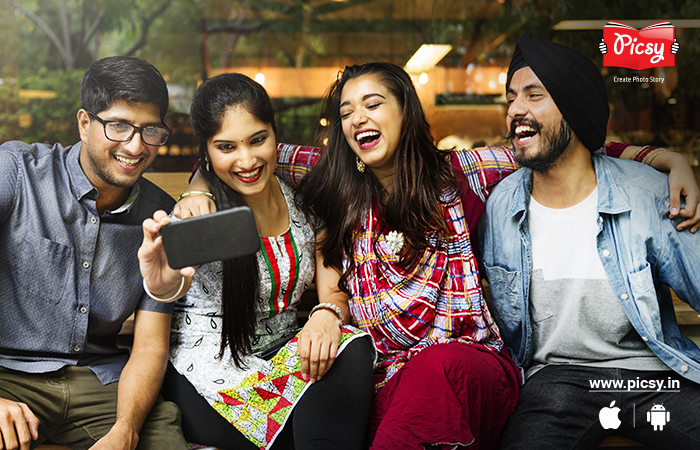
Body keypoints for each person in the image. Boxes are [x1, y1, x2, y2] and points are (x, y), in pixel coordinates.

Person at [177, 62, 699, 449]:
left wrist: (665, 158)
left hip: (469, 368)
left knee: (435, 371)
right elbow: (239, 152)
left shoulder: (461, 172)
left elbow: (571, 145)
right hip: (386, 375)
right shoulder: (336, 182)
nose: (358, 117)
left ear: (405, 107)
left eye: (373, 103)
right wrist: (195, 185)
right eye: (346, 111)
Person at [479, 34, 700, 449]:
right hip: (555, 382)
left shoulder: (646, 194)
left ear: (574, 108)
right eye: (510, 98)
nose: (514, 110)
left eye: (533, 95)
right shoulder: (500, 206)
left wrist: (671, 159)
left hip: (655, 376)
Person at [138, 72, 374, 450]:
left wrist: (326, 316)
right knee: (306, 426)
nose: (246, 160)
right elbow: (170, 283)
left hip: (282, 359)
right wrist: (161, 278)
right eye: (226, 147)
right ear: (207, 152)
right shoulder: (200, 211)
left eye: (257, 140)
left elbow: (334, 289)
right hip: (210, 372)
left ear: (274, 135)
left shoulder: (302, 202)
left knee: (351, 347)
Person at [0, 56, 188, 450]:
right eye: (118, 125)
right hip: (7, 374)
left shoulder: (159, 219)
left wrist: (126, 430)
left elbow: (151, 344)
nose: (135, 147)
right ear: (85, 124)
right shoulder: (17, 171)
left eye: (150, 130)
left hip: (102, 382)